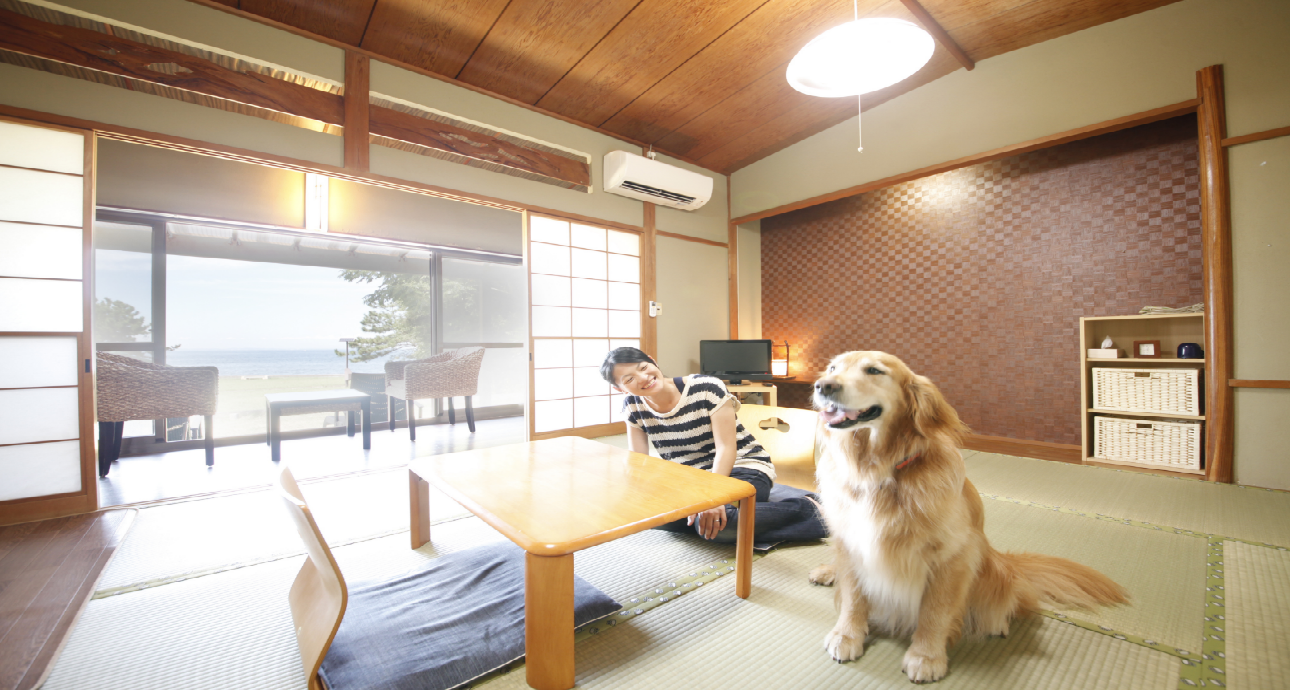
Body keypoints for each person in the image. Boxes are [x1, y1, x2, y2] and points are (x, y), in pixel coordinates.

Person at [601, 346, 824, 544]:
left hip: (742, 466)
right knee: (645, 514)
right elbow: (640, 462)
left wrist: (712, 496)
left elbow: (727, 448)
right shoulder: (632, 406)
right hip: (690, 479)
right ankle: (714, 517)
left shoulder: (706, 387)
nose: (643, 378)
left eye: (643, 367)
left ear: (652, 360)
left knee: (724, 525)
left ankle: (811, 510)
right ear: (619, 388)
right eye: (629, 379)